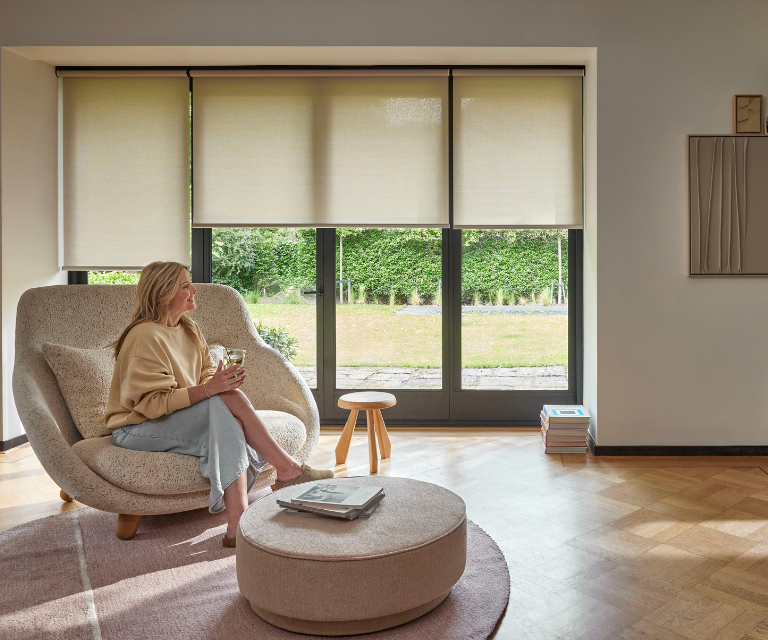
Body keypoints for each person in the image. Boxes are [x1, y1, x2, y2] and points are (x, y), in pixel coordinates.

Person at [105, 261, 333, 547]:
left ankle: (239, 522)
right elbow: (151, 404)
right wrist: (210, 389)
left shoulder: (189, 329)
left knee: (229, 409)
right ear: (163, 293)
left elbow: (202, 377)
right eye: (185, 285)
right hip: (136, 427)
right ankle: (286, 473)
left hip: (176, 416)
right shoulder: (144, 336)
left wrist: (219, 380)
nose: (194, 291)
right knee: (224, 405)